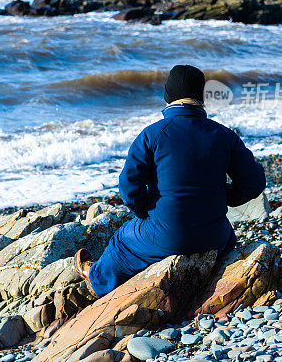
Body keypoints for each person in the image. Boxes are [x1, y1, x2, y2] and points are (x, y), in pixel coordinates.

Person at [75, 64, 266, 297]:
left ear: (168, 96)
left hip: (167, 235)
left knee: (121, 240)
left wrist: (145, 209)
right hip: (215, 235)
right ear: (200, 96)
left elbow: (128, 188)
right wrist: (219, 196)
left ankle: (95, 276)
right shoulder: (223, 134)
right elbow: (254, 182)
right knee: (226, 235)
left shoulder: (152, 134)